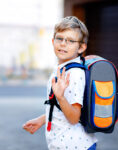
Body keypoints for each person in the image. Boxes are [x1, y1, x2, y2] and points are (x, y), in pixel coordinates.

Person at [23, 16, 97, 150]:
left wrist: (61, 97)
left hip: (75, 146)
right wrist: (41, 120)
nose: (63, 43)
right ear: (53, 41)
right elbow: (60, 108)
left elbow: (74, 117)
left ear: (81, 48)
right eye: (60, 38)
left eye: (70, 41)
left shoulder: (74, 74)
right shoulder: (63, 67)